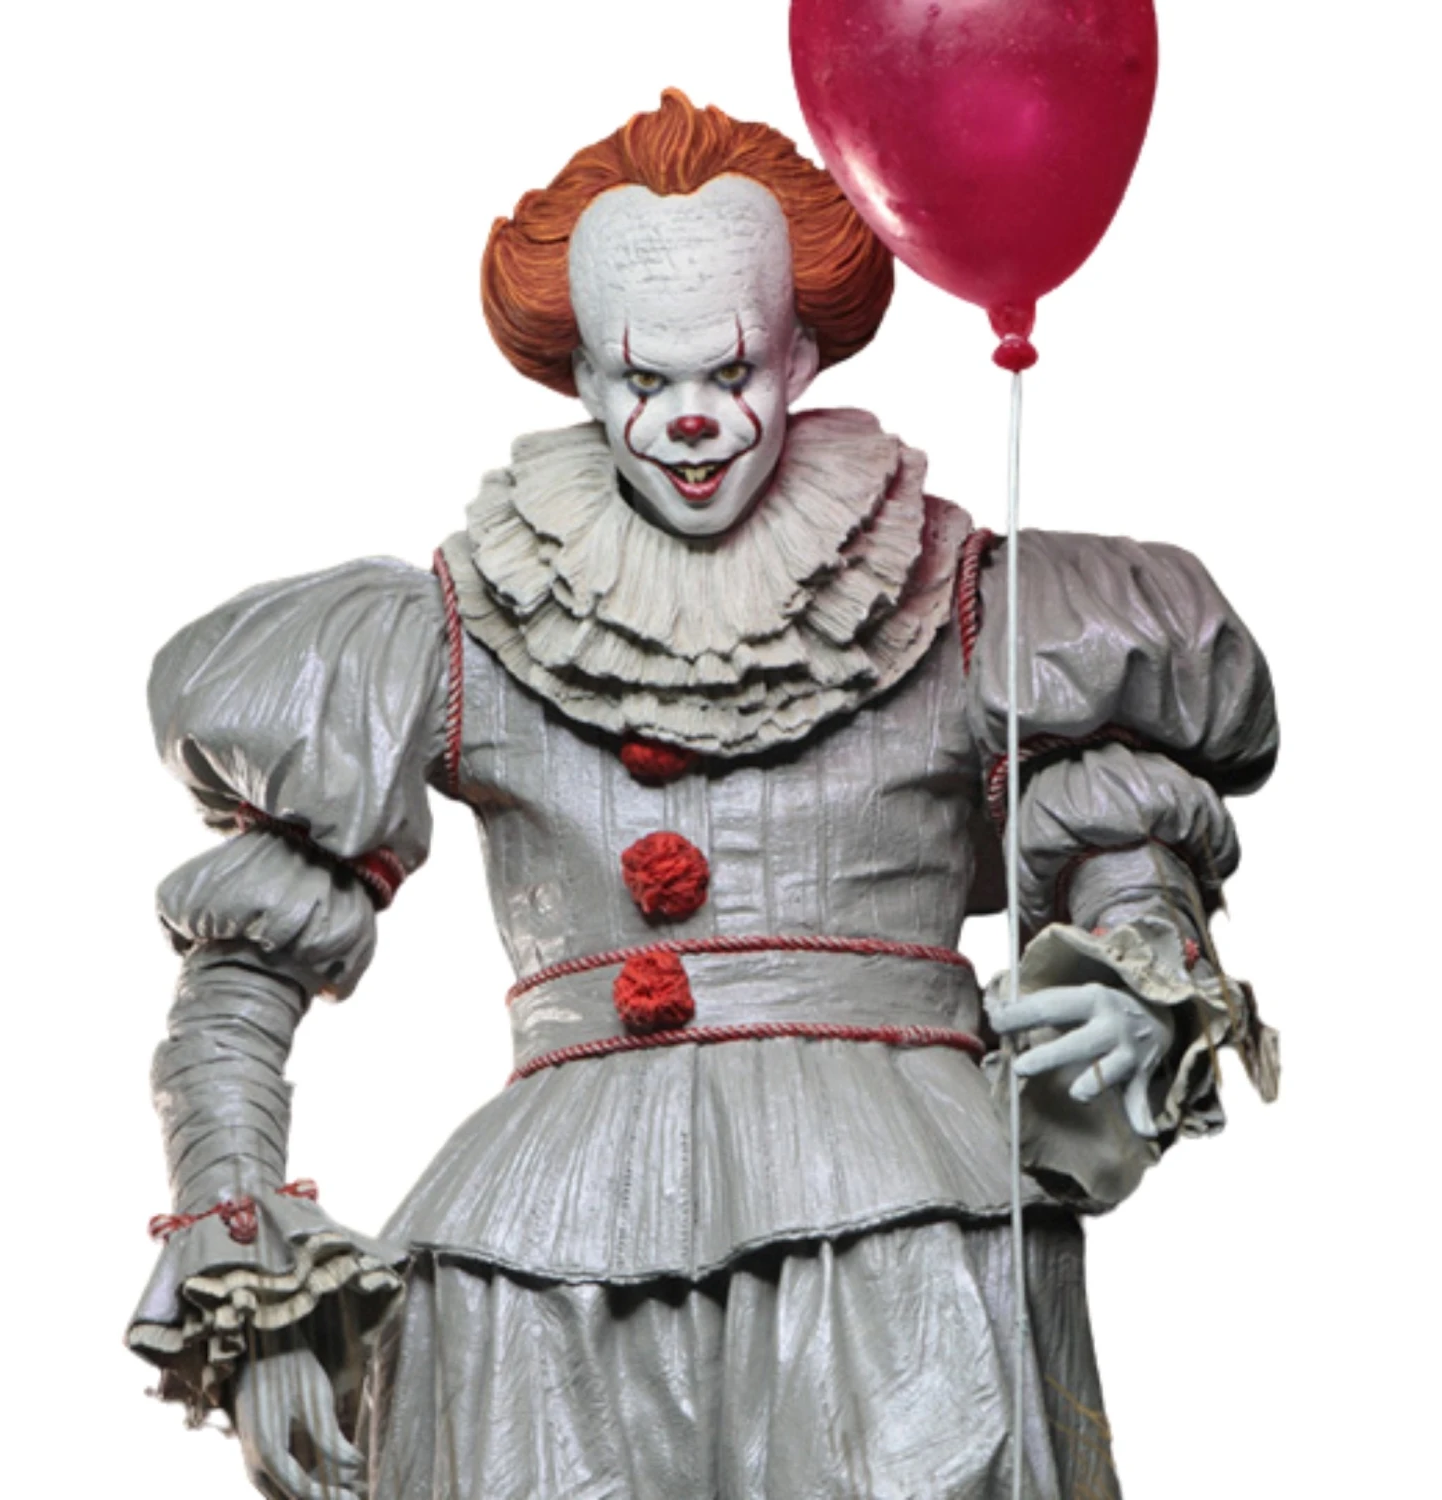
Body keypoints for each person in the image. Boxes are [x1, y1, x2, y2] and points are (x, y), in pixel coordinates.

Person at [128, 90, 1278, 1500]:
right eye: (639, 379)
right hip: (546, 1272)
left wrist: (1143, 975)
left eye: (731, 371)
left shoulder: (961, 602)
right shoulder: (460, 629)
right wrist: (246, 1268)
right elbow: (237, 984)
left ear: (801, 353)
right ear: (579, 377)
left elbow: (1119, 841)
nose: (687, 420)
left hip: (901, 1242)